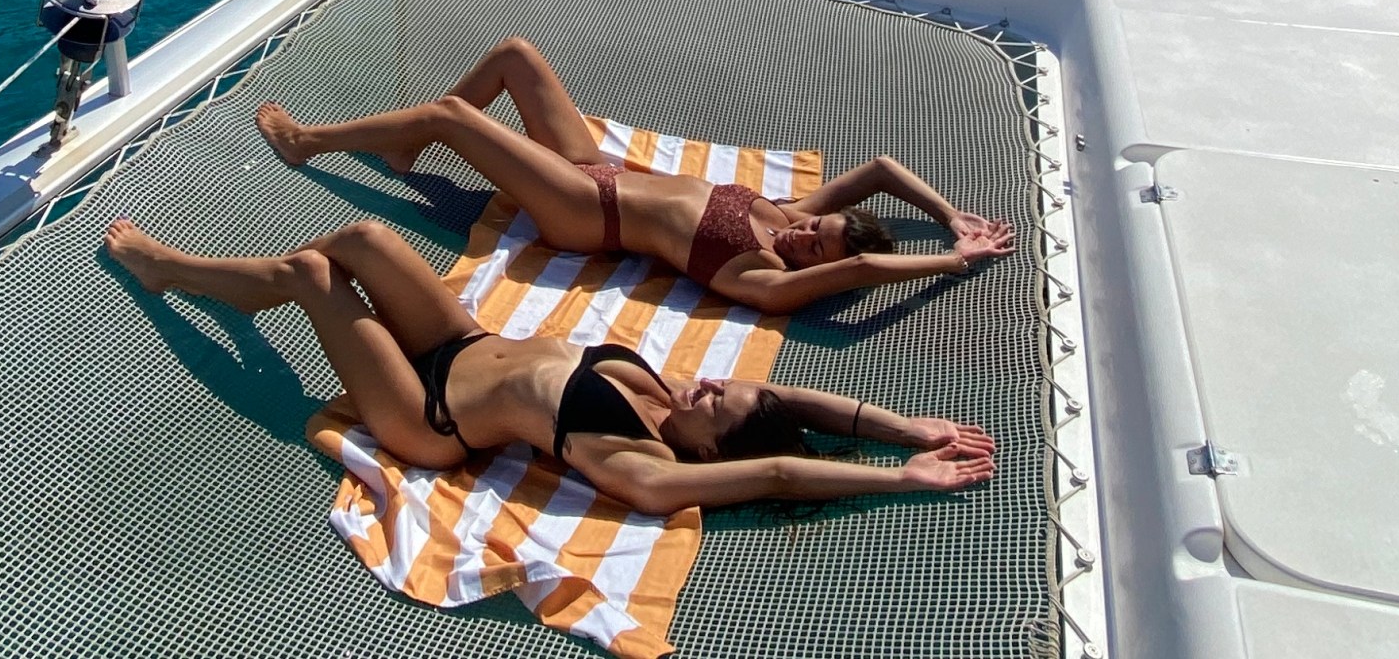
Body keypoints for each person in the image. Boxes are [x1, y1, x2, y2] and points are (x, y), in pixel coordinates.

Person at [103, 215, 995, 512]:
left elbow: (773, 471)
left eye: (716, 403)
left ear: (706, 451)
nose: (712, 380)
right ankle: (256, 289)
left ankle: (177, 271)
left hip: (428, 415)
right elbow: (801, 405)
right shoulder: (678, 396)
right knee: (364, 240)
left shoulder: (638, 465)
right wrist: (902, 426)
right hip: (459, 341)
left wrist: (903, 478)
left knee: (311, 273)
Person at [256, 38, 1016, 313]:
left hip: (587, 213)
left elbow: (871, 267)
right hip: (598, 170)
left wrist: (952, 260)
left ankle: (309, 142)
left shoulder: (761, 280)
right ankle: (403, 150)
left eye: (816, 250)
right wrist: (951, 217)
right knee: (515, 56)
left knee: (454, 115)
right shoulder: (788, 214)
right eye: (817, 230)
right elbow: (881, 170)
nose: (804, 238)